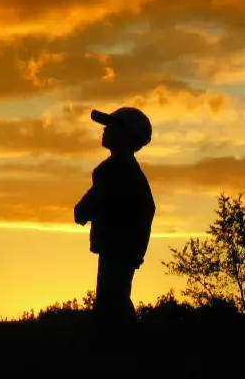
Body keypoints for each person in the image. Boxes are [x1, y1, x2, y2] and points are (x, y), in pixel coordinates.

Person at [74, 107, 155, 330]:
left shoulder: (117, 169)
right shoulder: (119, 168)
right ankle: (120, 341)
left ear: (127, 136)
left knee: (111, 299)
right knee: (114, 296)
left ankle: (117, 346)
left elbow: (102, 197)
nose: (105, 130)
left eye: (111, 127)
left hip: (119, 245)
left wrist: (84, 209)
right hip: (121, 245)